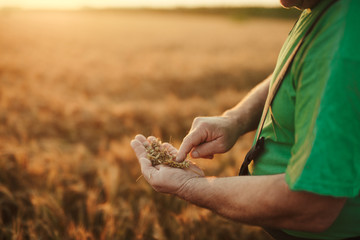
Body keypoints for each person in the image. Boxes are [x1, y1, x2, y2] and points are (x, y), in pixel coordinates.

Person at [131, 0, 360, 239]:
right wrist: (234, 119)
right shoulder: (325, 8)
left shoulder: (344, 39)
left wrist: (189, 185)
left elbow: (312, 204)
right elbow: (301, 70)